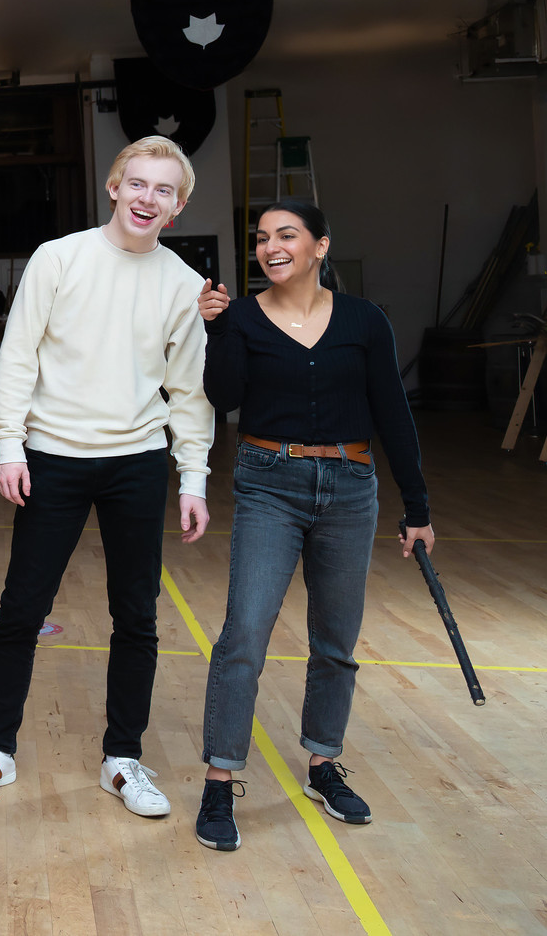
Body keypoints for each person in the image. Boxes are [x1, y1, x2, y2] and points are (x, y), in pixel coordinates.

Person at [0, 135, 214, 817]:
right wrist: (9, 446)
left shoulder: (185, 286)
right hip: (52, 458)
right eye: (137, 183)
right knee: (21, 610)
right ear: (114, 187)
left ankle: (122, 760)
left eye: (163, 190)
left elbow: (189, 391)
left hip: (137, 462)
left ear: (177, 207)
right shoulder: (58, 258)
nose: (147, 198)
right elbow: (17, 356)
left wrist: (193, 477)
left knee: (137, 617)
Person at [190, 200, 433, 851]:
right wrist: (216, 330)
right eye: (262, 237)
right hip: (268, 482)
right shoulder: (241, 316)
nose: (270, 246)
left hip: (351, 487)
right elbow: (223, 397)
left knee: (336, 639)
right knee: (244, 630)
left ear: (319, 245)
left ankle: (323, 765)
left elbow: (392, 412)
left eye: (286, 234)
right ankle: (219, 781)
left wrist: (417, 508)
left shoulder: (364, 320)